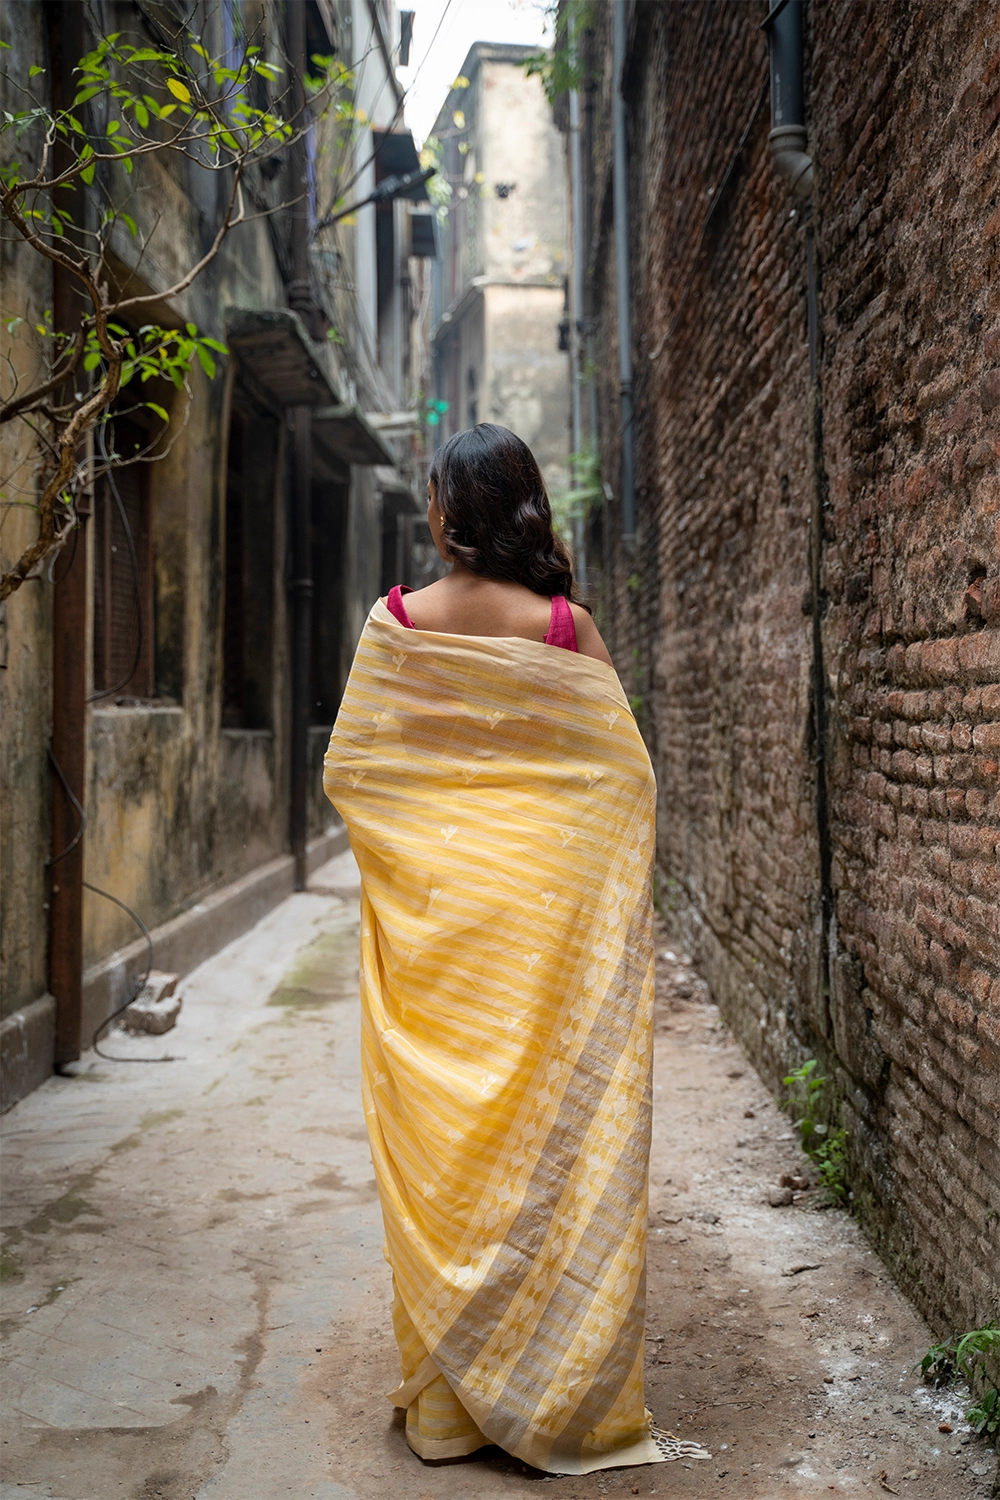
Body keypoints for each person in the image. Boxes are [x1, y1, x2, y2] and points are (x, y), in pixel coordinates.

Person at [323, 424, 709, 1475]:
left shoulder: (395, 622)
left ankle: (447, 1413)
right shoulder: (561, 631)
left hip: (442, 929)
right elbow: (624, 782)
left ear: (446, 513)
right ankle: (548, 1392)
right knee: (548, 1149)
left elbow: (356, 774)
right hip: (540, 934)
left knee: (448, 1150)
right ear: (526, 508)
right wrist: (578, 891)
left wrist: (425, 856)